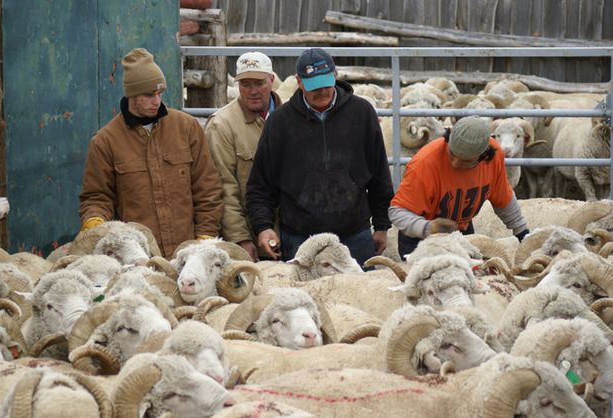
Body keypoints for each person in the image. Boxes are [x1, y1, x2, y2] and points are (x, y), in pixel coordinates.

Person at [246, 47, 394, 267]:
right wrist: (263, 226)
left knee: (361, 296)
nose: (322, 91)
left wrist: (382, 225)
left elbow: (379, 172)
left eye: (326, 83)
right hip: (300, 237)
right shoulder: (280, 122)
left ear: (335, 75)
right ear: (299, 82)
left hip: (354, 235)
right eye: (314, 86)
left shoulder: (362, 113)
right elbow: (260, 183)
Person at [79, 47, 223, 258]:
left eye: (159, 93)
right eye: (148, 95)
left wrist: (205, 237)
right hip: (138, 259)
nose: (157, 101)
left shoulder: (186, 128)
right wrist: (95, 223)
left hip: (187, 257)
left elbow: (207, 188)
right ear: (131, 95)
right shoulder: (105, 141)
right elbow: (97, 197)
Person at [389, 116, 530, 259]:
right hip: (420, 239)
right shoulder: (425, 164)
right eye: (452, 154)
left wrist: (522, 233)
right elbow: (398, 212)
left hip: (461, 231)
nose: (455, 163)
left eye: (465, 160)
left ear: (483, 156)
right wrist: (427, 227)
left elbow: (503, 199)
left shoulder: (493, 157)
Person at [205, 51, 282, 261]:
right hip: (251, 236)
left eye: (259, 83)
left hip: (291, 233)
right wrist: (241, 239)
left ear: (272, 80)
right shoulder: (222, 125)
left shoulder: (292, 118)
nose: (253, 91)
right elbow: (223, 187)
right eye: (245, 84)